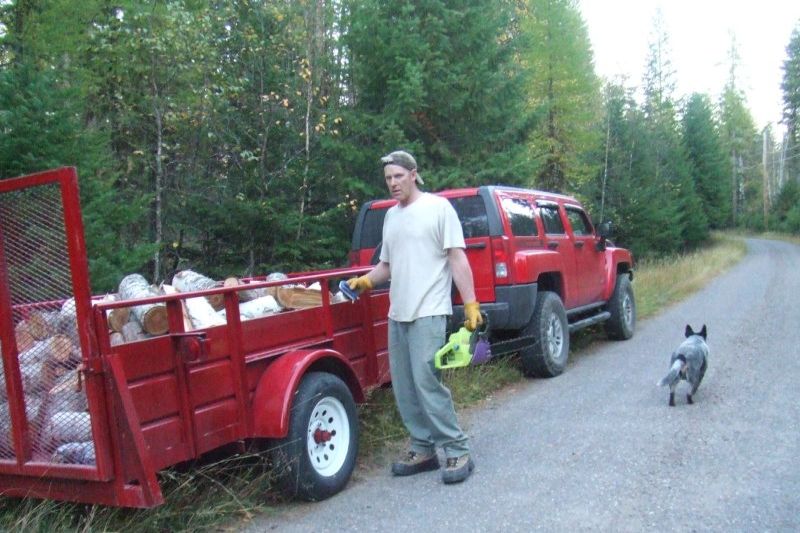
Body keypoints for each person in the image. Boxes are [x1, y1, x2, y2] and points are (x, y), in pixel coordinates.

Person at [348, 150, 483, 484]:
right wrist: (365, 280)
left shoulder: (438, 209)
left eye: (398, 176)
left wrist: (471, 305)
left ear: (413, 174)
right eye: (388, 179)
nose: (393, 183)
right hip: (399, 313)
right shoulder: (391, 217)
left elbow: (457, 258)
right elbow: (387, 265)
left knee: (426, 382)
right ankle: (422, 448)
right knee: (405, 386)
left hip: (429, 310)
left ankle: (456, 448)